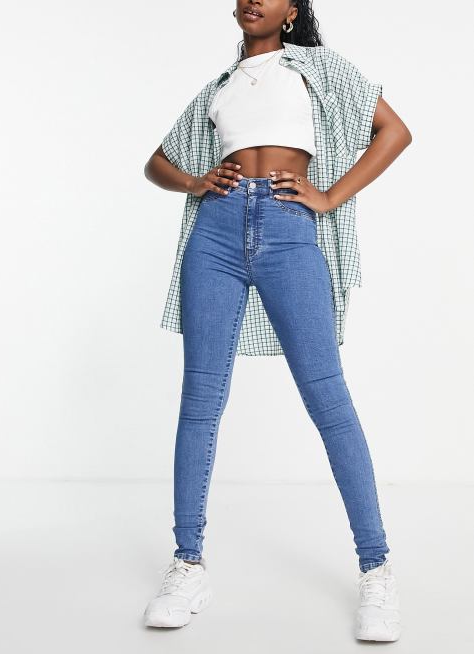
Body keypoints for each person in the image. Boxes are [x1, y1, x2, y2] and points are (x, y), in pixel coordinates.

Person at [143, 0, 411, 642]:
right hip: (215, 233)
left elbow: (395, 131)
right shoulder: (219, 87)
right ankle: (187, 564)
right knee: (200, 400)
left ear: (292, 9)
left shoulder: (319, 68)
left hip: (290, 228)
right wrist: (197, 182)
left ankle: (376, 568)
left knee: (328, 397)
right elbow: (155, 163)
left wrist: (330, 195)